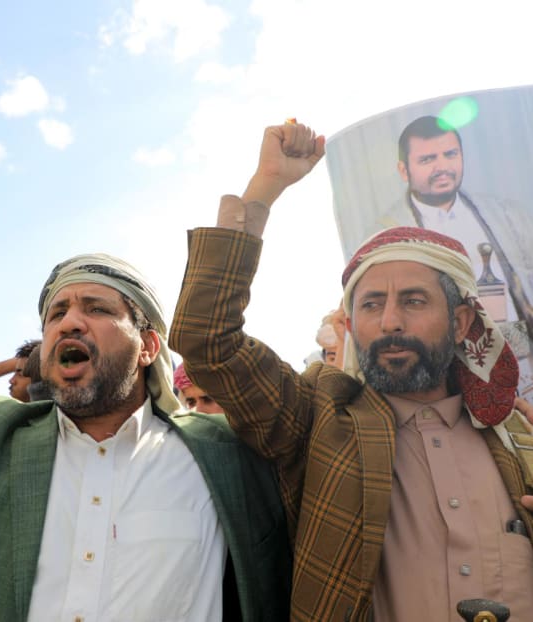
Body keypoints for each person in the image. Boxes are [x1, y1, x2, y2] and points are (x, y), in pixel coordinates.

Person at [0, 230, 292, 621]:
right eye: (56, 313)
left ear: (147, 346)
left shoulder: (225, 454)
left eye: (97, 309)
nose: (69, 323)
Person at [170, 121, 533, 621]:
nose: (389, 322)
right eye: (370, 305)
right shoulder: (321, 421)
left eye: (413, 301)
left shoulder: (516, 434)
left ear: (462, 321)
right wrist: (265, 190)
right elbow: (207, 338)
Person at [378, 115, 533, 397]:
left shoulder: (504, 215)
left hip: (525, 369)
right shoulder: (388, 233)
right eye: (427, 160)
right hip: (453, 387)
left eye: (450, 154)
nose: (442, 167)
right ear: (404, 170)